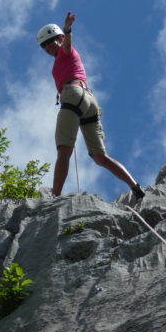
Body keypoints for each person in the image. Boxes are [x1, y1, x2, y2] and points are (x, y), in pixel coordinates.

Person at [37, 12, 145, 199]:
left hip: (73, 94)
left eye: (51, 41)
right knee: (99, 157)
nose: (48, 47)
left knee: (64, 150)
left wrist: (68, 30)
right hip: (89, 101)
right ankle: (135, 186)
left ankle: (54, 196)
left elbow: (67, 44)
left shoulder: (65, 50)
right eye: (45, 46)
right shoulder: (62, 58)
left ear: (60, 38)